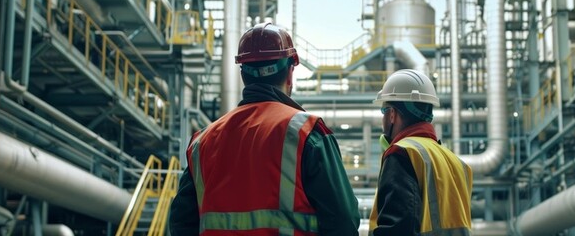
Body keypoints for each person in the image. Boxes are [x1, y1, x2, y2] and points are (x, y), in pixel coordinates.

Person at [169, 23, 360, 236]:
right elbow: (344, 222)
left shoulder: (201, 142)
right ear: (290, 73)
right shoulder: (306, 133)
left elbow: (180, 224)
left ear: (243, 75)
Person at [369, 69, 473, 235]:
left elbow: (398, 228)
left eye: (384, 110)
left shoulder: (402, 152)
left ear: (392, 115)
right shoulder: (457, 163)